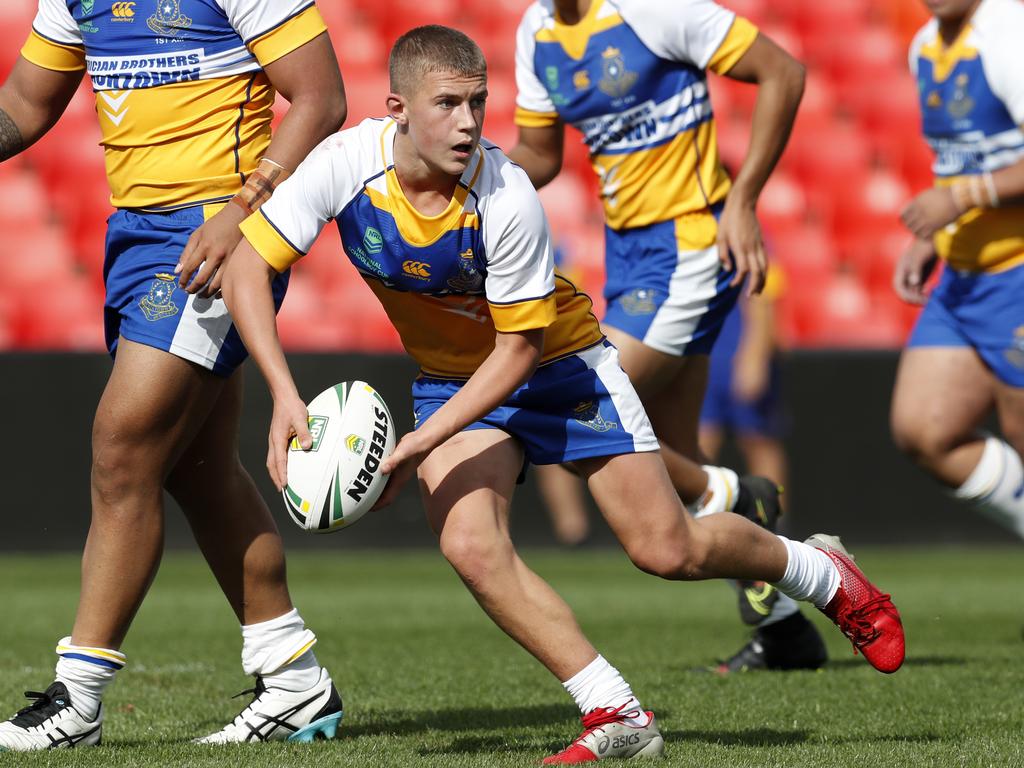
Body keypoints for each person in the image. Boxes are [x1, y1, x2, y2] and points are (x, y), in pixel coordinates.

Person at [222, 25, 904, 763]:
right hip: (453, 375)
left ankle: (818, 570)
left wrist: (420, 443)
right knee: (470, 544)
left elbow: (518, 353)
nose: (468, 122)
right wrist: (284, 396)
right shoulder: (344, 165)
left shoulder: (506, 195)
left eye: (478, 103)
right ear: (396, 108)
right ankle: (617, 713)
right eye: (446, 103)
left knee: (666, 549)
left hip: (562, 366)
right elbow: (245, 269)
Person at [0, 0, 347, 751]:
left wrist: (242, 213)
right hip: (133, 231)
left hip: (215, 233)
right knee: (196, 470)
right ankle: (295, 682)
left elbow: (321, 96)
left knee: (122, 450)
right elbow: (24, 105)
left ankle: (76, 702)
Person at [507, 0, 823, 669]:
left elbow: (784, 73)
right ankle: (788, 631)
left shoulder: (651, 9)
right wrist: (462, 173)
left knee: (568, 400)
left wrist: (743, 201)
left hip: (692, 244)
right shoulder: (537, 32)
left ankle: (736, 496)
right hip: (630, 259)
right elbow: (540, 154)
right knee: (675, 459)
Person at [893, 0, 1024, 543]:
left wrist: (960, 199)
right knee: (924, 428)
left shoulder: (1008, 33)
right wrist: (934, 237)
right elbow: (961, 157)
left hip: (1017, 273)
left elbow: (965, 182)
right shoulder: (924, 46)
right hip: (964, 278)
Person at [698, 269, 825, 671]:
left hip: (737, 342)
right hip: (708, 345)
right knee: (699, 450)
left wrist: (754, 351)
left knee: (757, 439)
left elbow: (764, 291)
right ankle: (739, 539)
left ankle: (773, 535)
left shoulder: (731, 221)